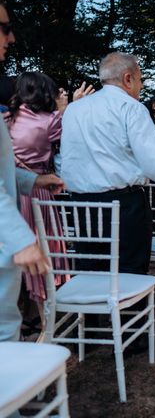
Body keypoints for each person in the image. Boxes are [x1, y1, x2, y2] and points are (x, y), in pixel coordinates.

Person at [60, 52, 155, 276]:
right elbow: (154, 163)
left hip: (82, 206)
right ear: (128, 78)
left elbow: (65, 160)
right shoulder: (131, 108)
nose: (141, 86)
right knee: (129, 272)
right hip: (124, 206)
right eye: (140, 80)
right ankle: (128, 311)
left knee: (89, 271)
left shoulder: (73, 110)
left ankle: (91, 311)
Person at [0, 0, 64, 342]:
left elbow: (4, 167)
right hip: (17, 217)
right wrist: (23, 240)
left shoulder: (8, 115)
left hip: (21, 199)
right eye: (5, 28)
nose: (11, 38)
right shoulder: (45, 119)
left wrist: (35, 179)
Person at [6, 72, 72, 307]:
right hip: (37, 189)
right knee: (44, 246)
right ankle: (45, 312)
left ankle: (23, 310)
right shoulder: (49, 120)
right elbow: (70, 137)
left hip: (9, 190)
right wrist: (65, 109)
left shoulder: (9, 116)